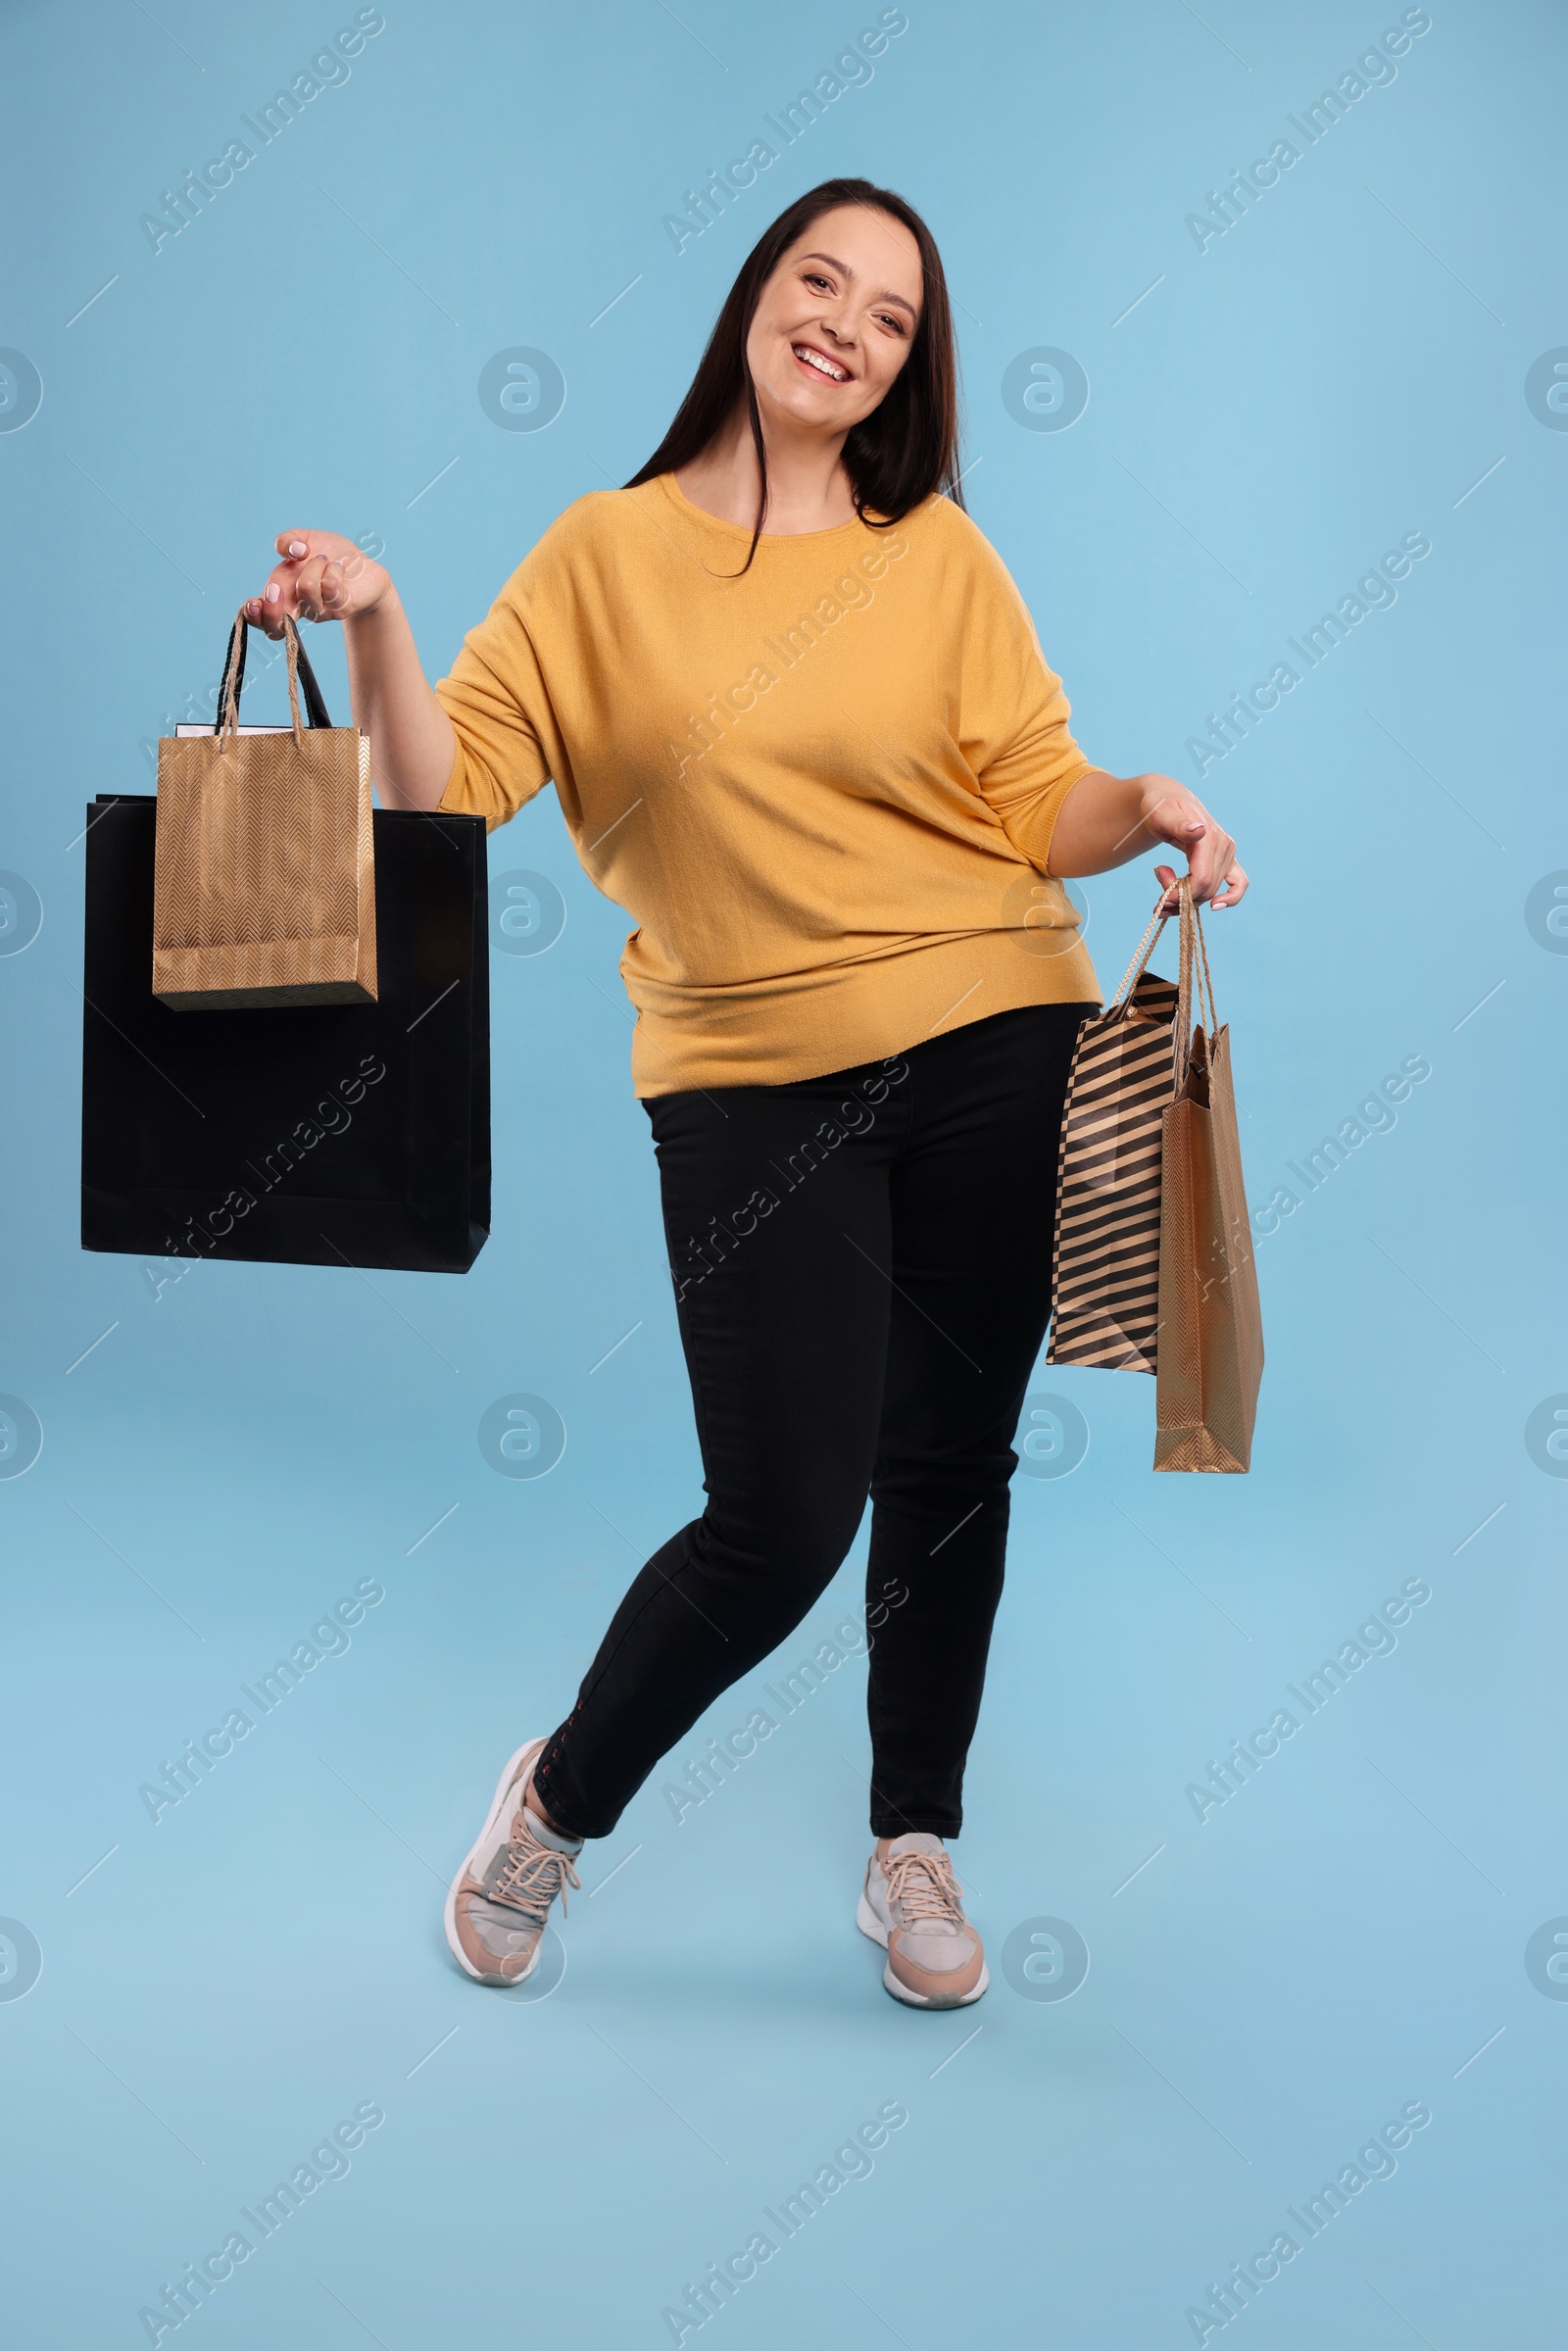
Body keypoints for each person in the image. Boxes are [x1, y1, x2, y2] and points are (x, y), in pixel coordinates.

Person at [247, 176, 1247, 2009]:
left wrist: (1151, 809)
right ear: (756, 294)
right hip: (746, 1070)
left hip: (998, 1023)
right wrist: (381, 615)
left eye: (891, 318)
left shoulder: (933, 548)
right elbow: (433, 806)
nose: (848, 329)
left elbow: (1040, 797)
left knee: (947, 1463)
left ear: (906, 368)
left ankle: (912, 1838)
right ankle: (553, 1802)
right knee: (784, 1514)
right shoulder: (599, 557)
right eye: (823, 282)